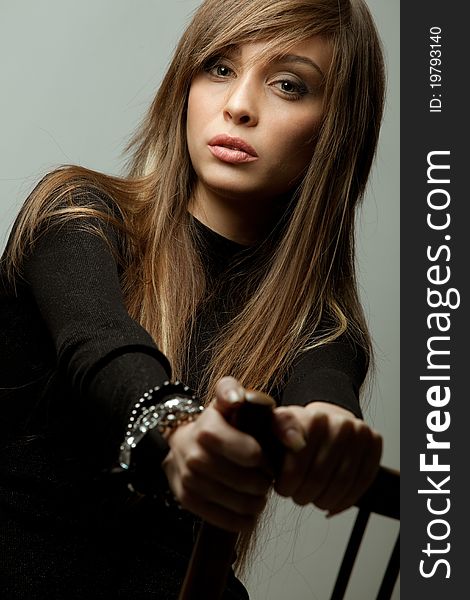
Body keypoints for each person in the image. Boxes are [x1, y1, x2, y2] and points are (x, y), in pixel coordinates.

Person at [0, 0, 386, 597]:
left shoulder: (319, 325)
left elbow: (325, 389)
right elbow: (100, 343)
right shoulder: (77, 212)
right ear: (186, 81)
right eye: (220, 68)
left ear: (336, 127)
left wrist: (330, 435)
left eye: (288, 85)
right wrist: (174, 428)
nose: (238, 106)